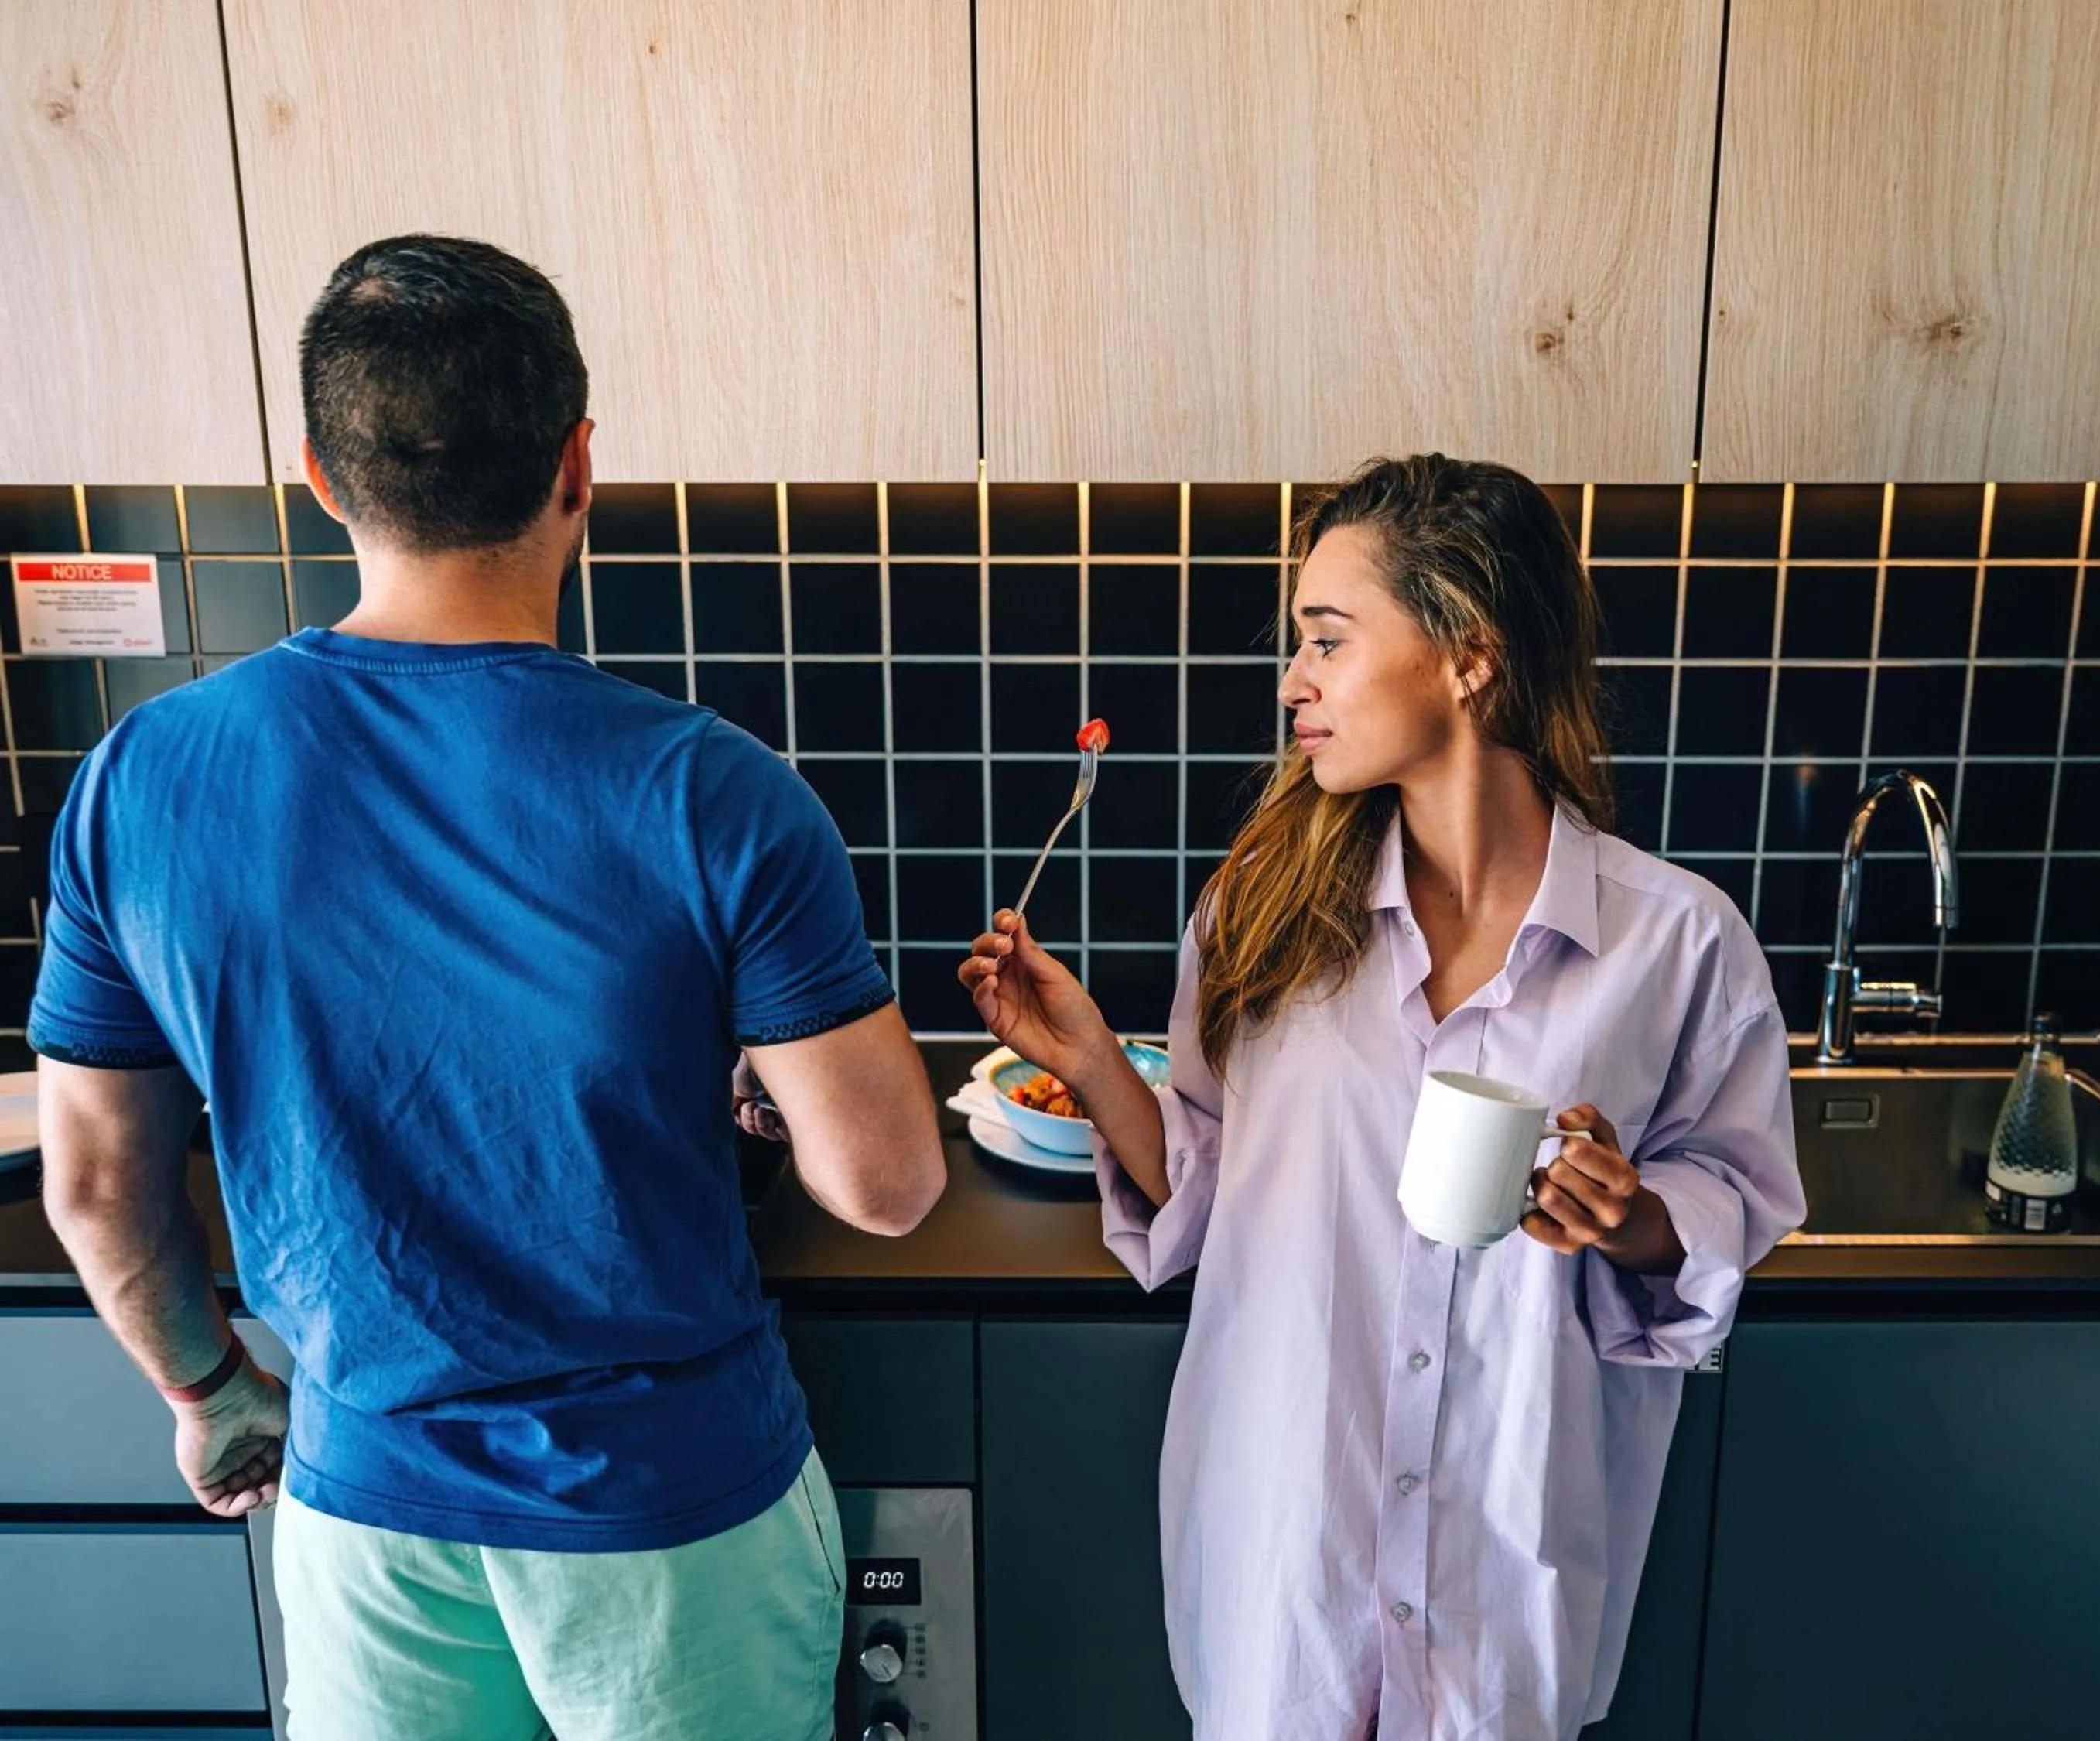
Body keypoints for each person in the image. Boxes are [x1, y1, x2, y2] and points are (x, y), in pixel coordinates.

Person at [31, 234, 945, 1741]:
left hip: (365, 1514)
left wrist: (210, 1393)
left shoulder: (145, 778)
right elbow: (891, 1184)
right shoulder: (713, 794)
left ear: (322, 476)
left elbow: (95, 1186)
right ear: (578, 465)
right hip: (680, 1518)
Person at [961, 454, 1804, 1740]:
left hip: (1506, 1581)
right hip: (1286, 1565)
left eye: (1329, 639)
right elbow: (1208, 1186)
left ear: (1468, 655)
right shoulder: (1262, 913)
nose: (1295, 679)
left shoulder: (1679, 947)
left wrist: (1625, 1207)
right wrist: (1087, 1062)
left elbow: (1733, 1199)